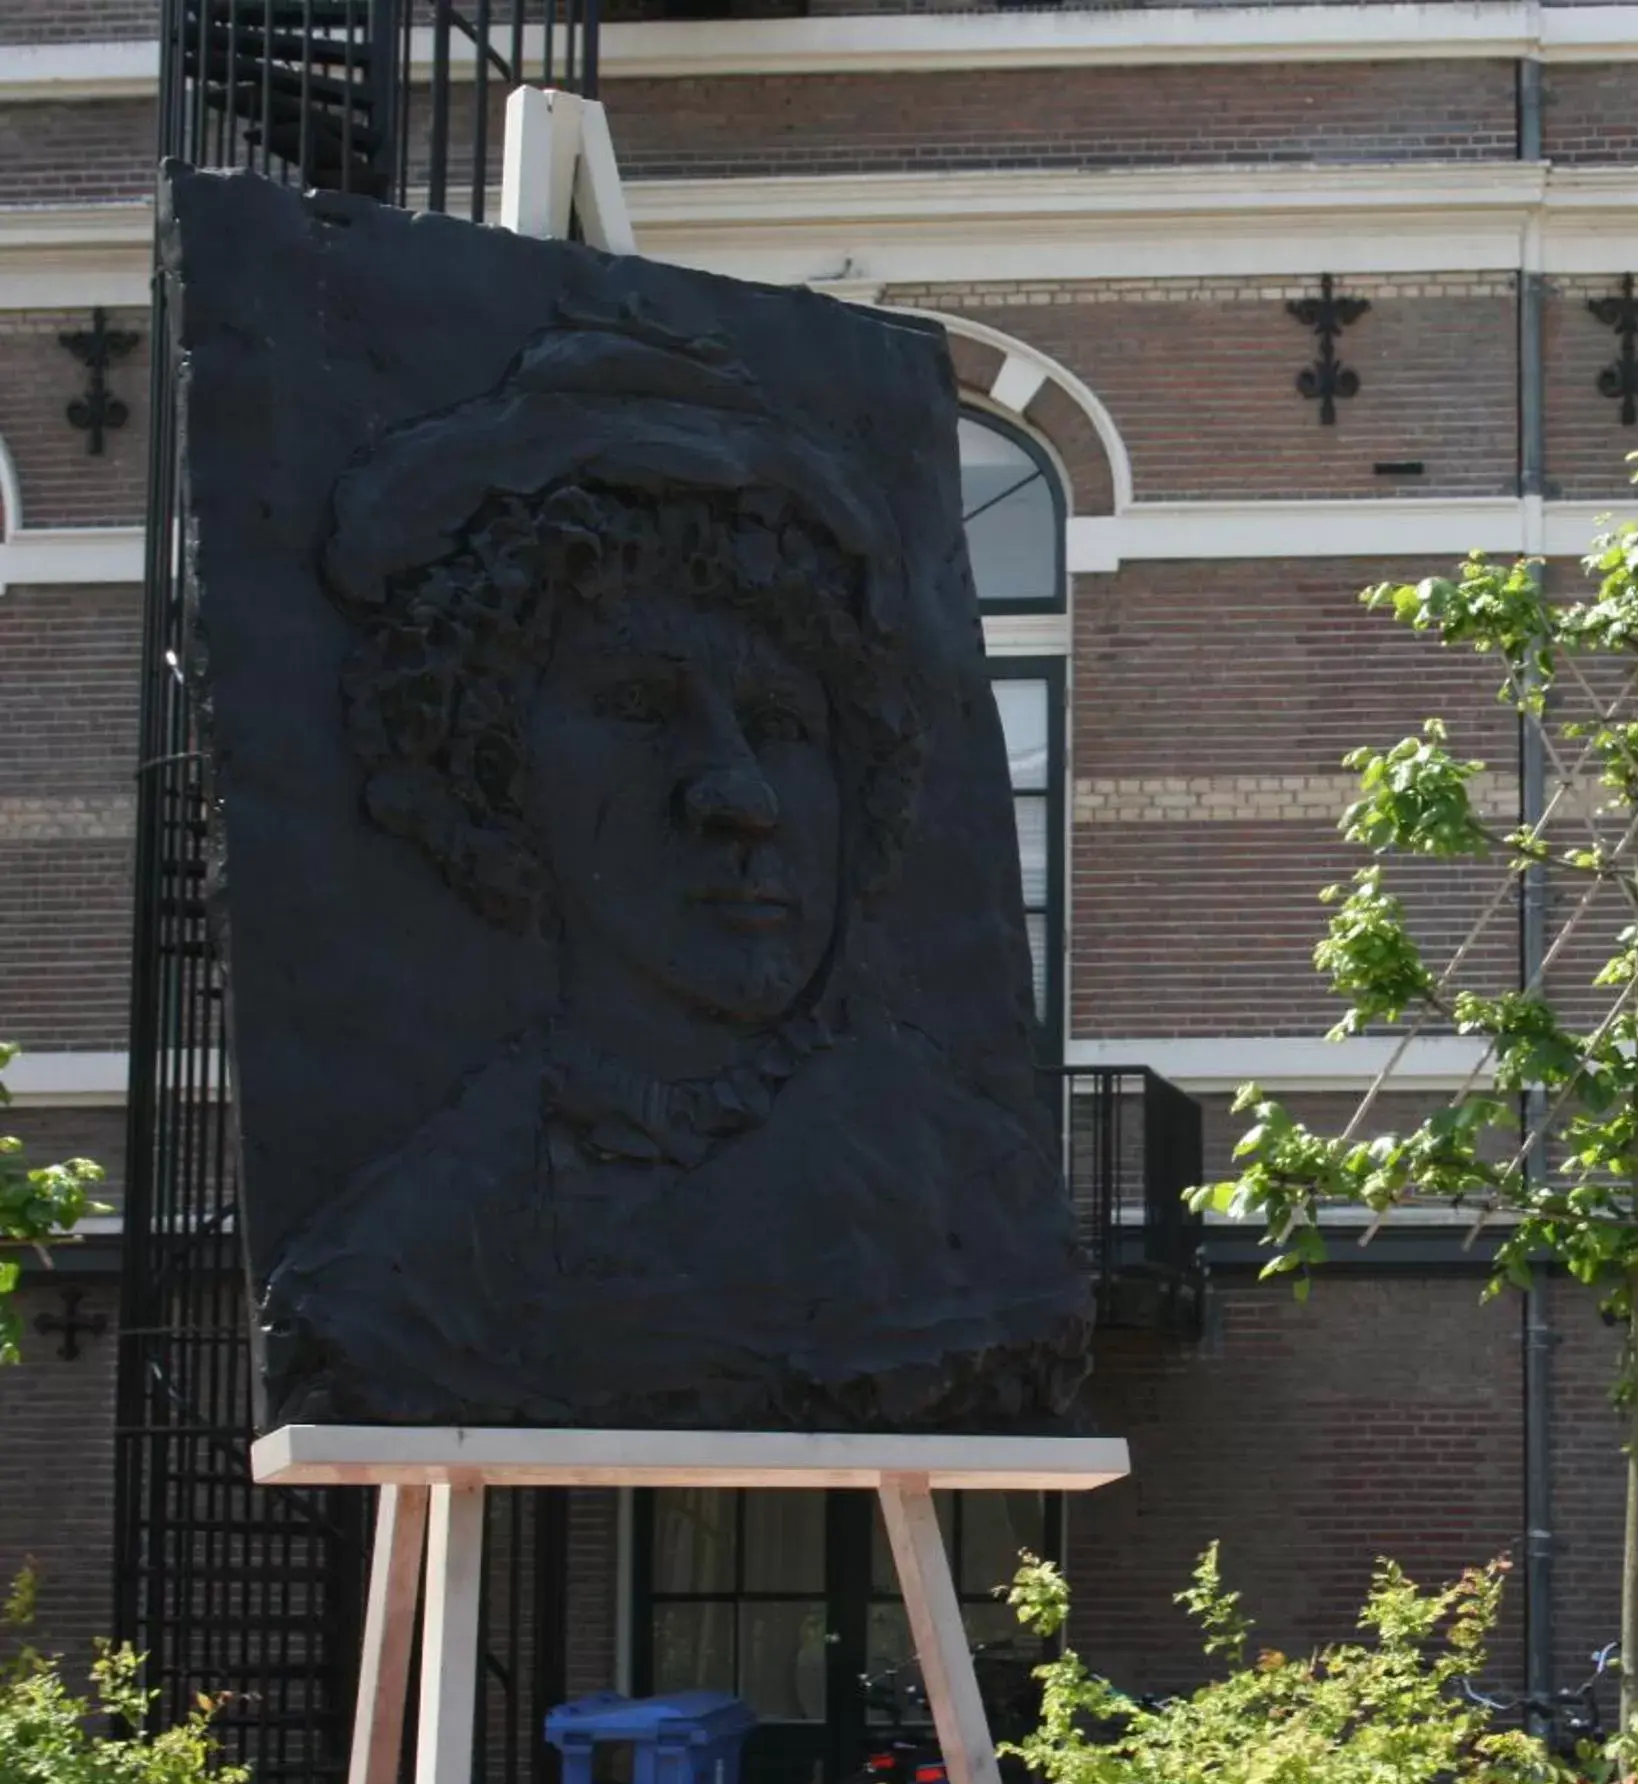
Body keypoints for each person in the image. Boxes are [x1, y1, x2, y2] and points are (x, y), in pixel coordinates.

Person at [258, 312, 1089, 1430]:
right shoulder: (394, 1268)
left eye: (782, 722)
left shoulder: (973, 1208)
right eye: (641, 710)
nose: (736, 796)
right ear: (488, 760)